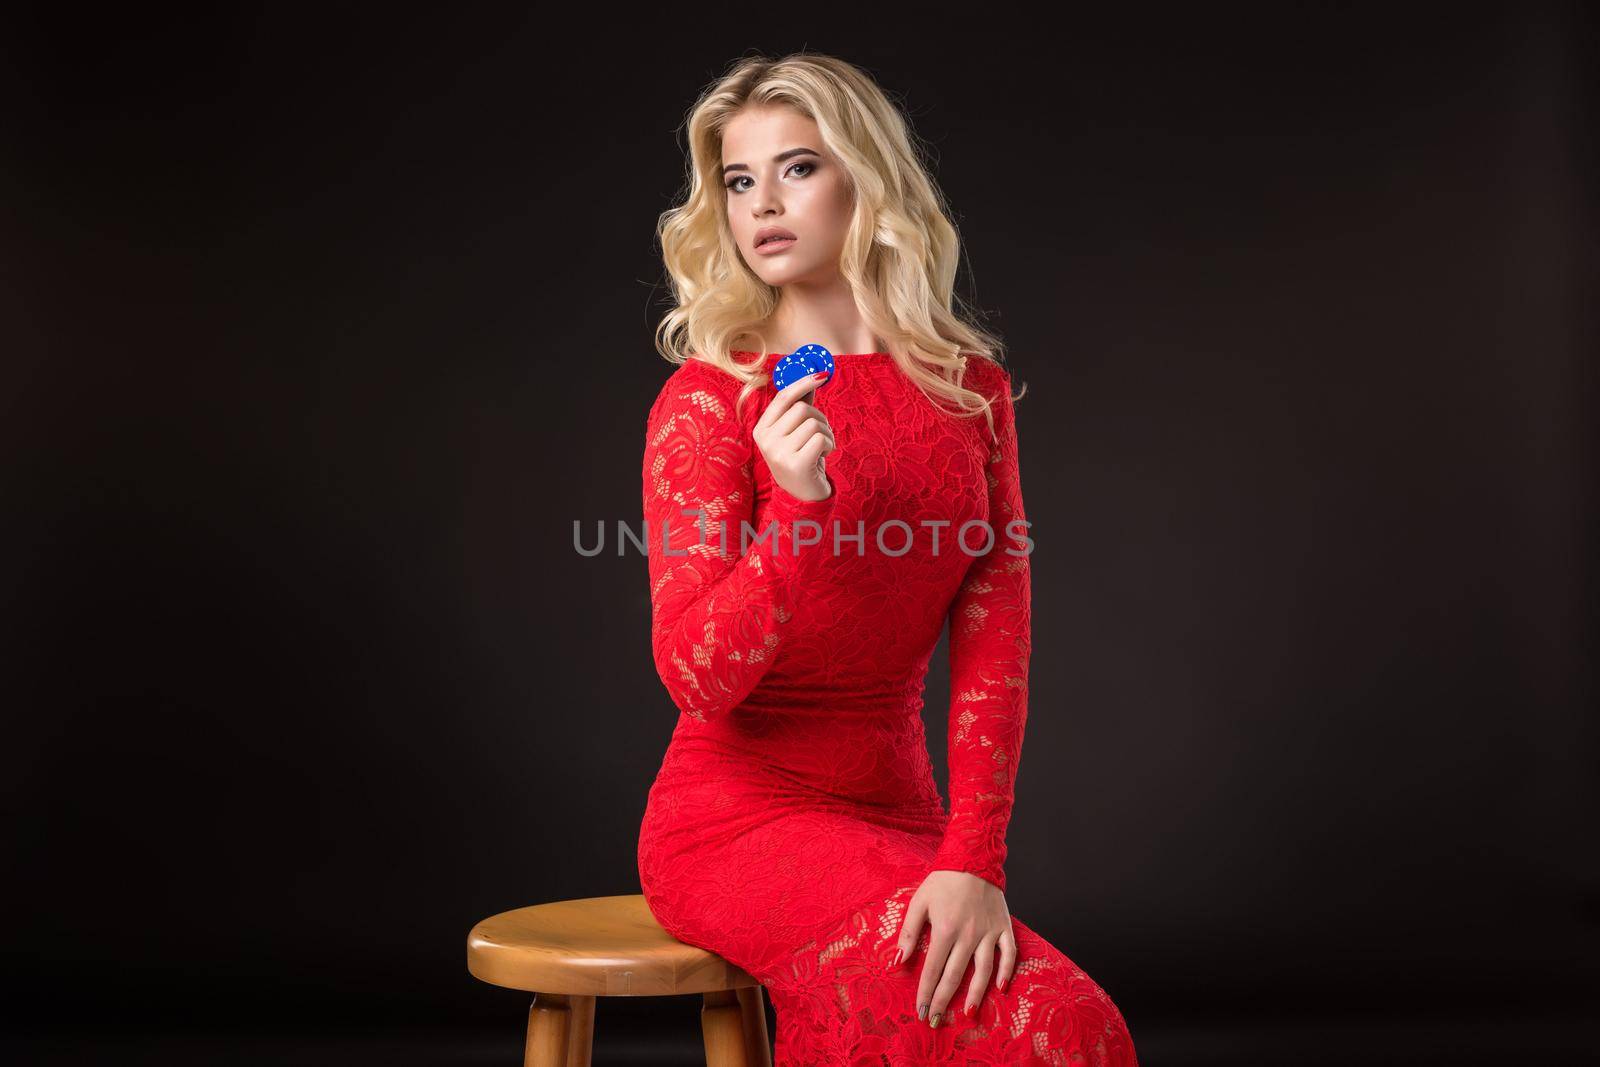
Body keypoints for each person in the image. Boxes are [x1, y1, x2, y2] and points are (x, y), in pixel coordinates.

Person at [637, 52, 1138, 1065]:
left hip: (904, 819)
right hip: (736, 823)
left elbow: (997, 647)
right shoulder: (711, 395)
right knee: (1056, 1027)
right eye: (739, 181)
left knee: (1074, 1024)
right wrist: (800, 511)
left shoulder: (968, 391)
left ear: (867, 178)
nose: (762, 204)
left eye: (797, 168)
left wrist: (974, 857)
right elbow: (696, 673)